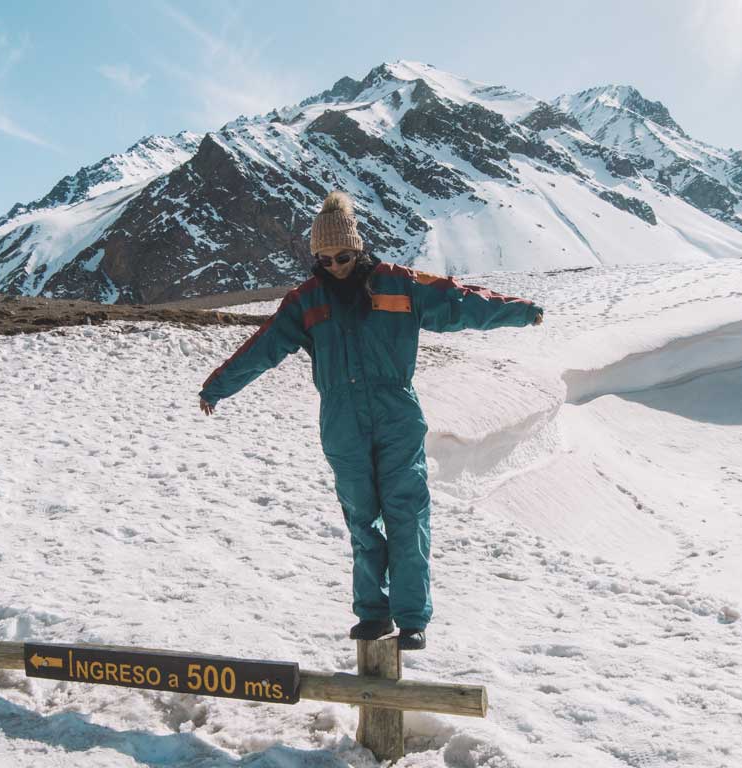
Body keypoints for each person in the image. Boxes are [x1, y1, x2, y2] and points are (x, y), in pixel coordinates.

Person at [198, 190, 544, 650]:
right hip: (342, 423)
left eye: (343, 256)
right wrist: (218, 386)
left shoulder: (399, 285)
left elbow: (460, 302)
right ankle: (373, 614)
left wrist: (519, 312)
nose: (336, 266)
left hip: (397, 416)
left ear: (357, 248)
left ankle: (412, 618)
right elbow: (262, 348)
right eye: (324, 259)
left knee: (406, 512)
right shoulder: (306, 301)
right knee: (362, 519)